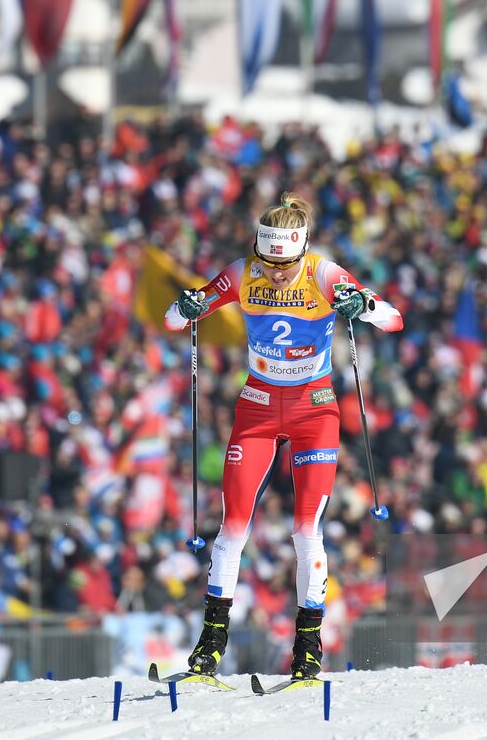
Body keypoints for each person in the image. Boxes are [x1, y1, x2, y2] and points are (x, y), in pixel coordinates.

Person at [164, 193, 402, 680]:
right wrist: (185, 305)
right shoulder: (243, 272)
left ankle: (308, 650)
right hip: (257, 405)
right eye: (267, 261)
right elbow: (175, 319)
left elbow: (394, 319)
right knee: (233, 525)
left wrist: (364, 305)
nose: (274, 274)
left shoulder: (324, 273)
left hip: (313, 409)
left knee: (304, 528)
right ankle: (210, 646)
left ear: (302, 252)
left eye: (285, 265)